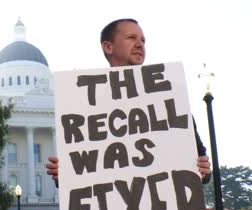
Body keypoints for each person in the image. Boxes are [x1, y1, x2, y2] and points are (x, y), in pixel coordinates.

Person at [46, 18, 211, 186]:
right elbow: (83, 177)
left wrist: (203, 170)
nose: (140, 44)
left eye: (143, 40)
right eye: (131, 37)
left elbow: (199, 161)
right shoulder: (86, 109)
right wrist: (65, 173)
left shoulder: (170, 101)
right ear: (108, 47)